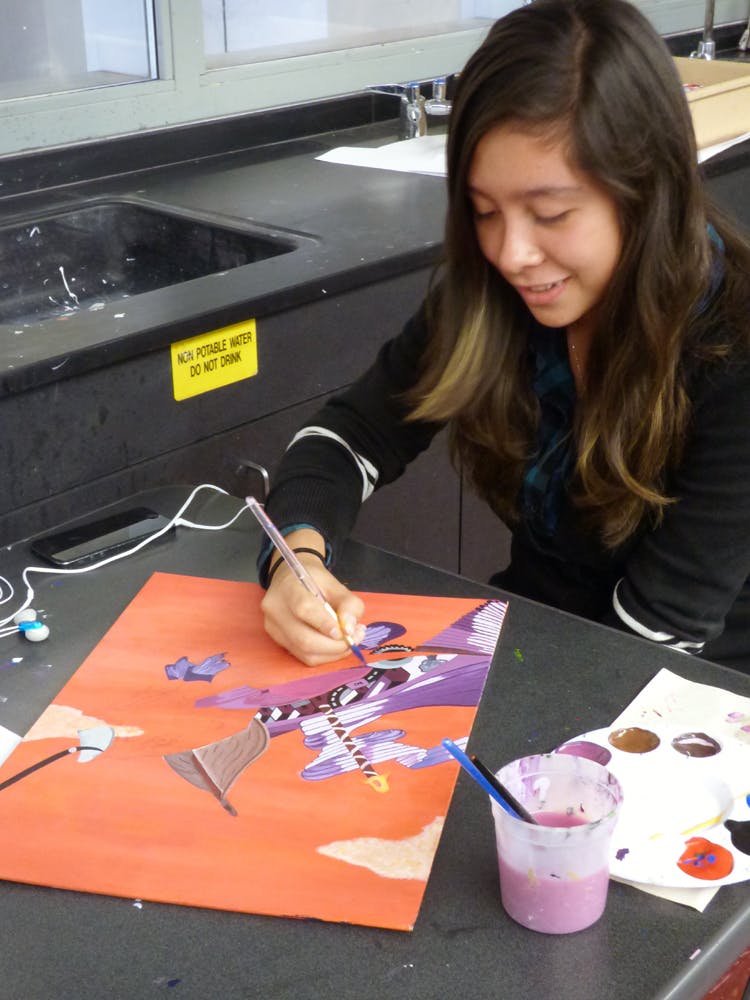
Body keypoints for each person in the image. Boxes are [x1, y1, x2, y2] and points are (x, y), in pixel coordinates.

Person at [257, 0, 750, 673]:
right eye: (484, 211)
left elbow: (656, 635)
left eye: (551, 214)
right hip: (534, 641)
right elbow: (349, 438)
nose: (512, 253)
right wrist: (297, 559)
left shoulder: (734, 347)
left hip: (687, 696)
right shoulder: (497, 298)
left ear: (647, 194)